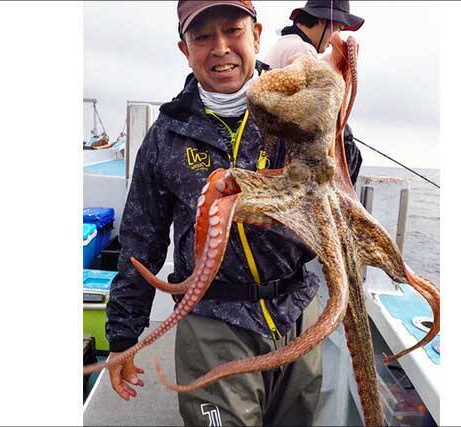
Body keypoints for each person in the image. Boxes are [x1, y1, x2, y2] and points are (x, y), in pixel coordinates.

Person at [104, 1, 361, 425]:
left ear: (256, 35)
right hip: (213, 320)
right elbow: (140, 240)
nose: (220, 48)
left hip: (296, 310)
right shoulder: (168, 135)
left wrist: (331, 115)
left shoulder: (295, 105)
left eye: (233, 30)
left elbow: (339, 178)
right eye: (202, 36)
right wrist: (123, 335)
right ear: (185, 50)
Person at [264, 0, 365, 184]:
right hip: (283, 154)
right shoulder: (303, 50)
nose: (335, 38)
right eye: (338, 28)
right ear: (321, 21)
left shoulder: (284, 43)